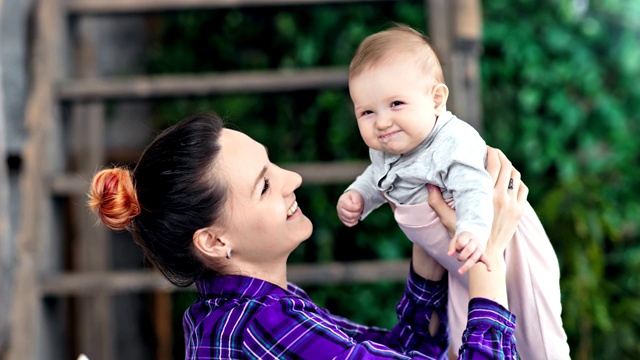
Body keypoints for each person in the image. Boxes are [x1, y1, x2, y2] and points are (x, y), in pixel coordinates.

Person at [88, 112, 522, 359]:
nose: (292, 178)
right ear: (214, 242)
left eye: (273, 164)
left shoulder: (241, 311)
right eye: (263, 185)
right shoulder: (260, 328)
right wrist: (488, 256)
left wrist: (426, 242)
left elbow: (396, 351)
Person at [336, 24, 570, 359]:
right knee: (463, 332)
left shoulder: (451, 142)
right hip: (457, 256)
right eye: (367, 112)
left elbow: (474, 187)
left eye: (396, 104)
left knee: (536, 332)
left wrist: (473, 230)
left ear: (436, 100)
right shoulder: (390, 149)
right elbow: (377, 176)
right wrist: (359, 196)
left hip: (502, 244)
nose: (382, 122)